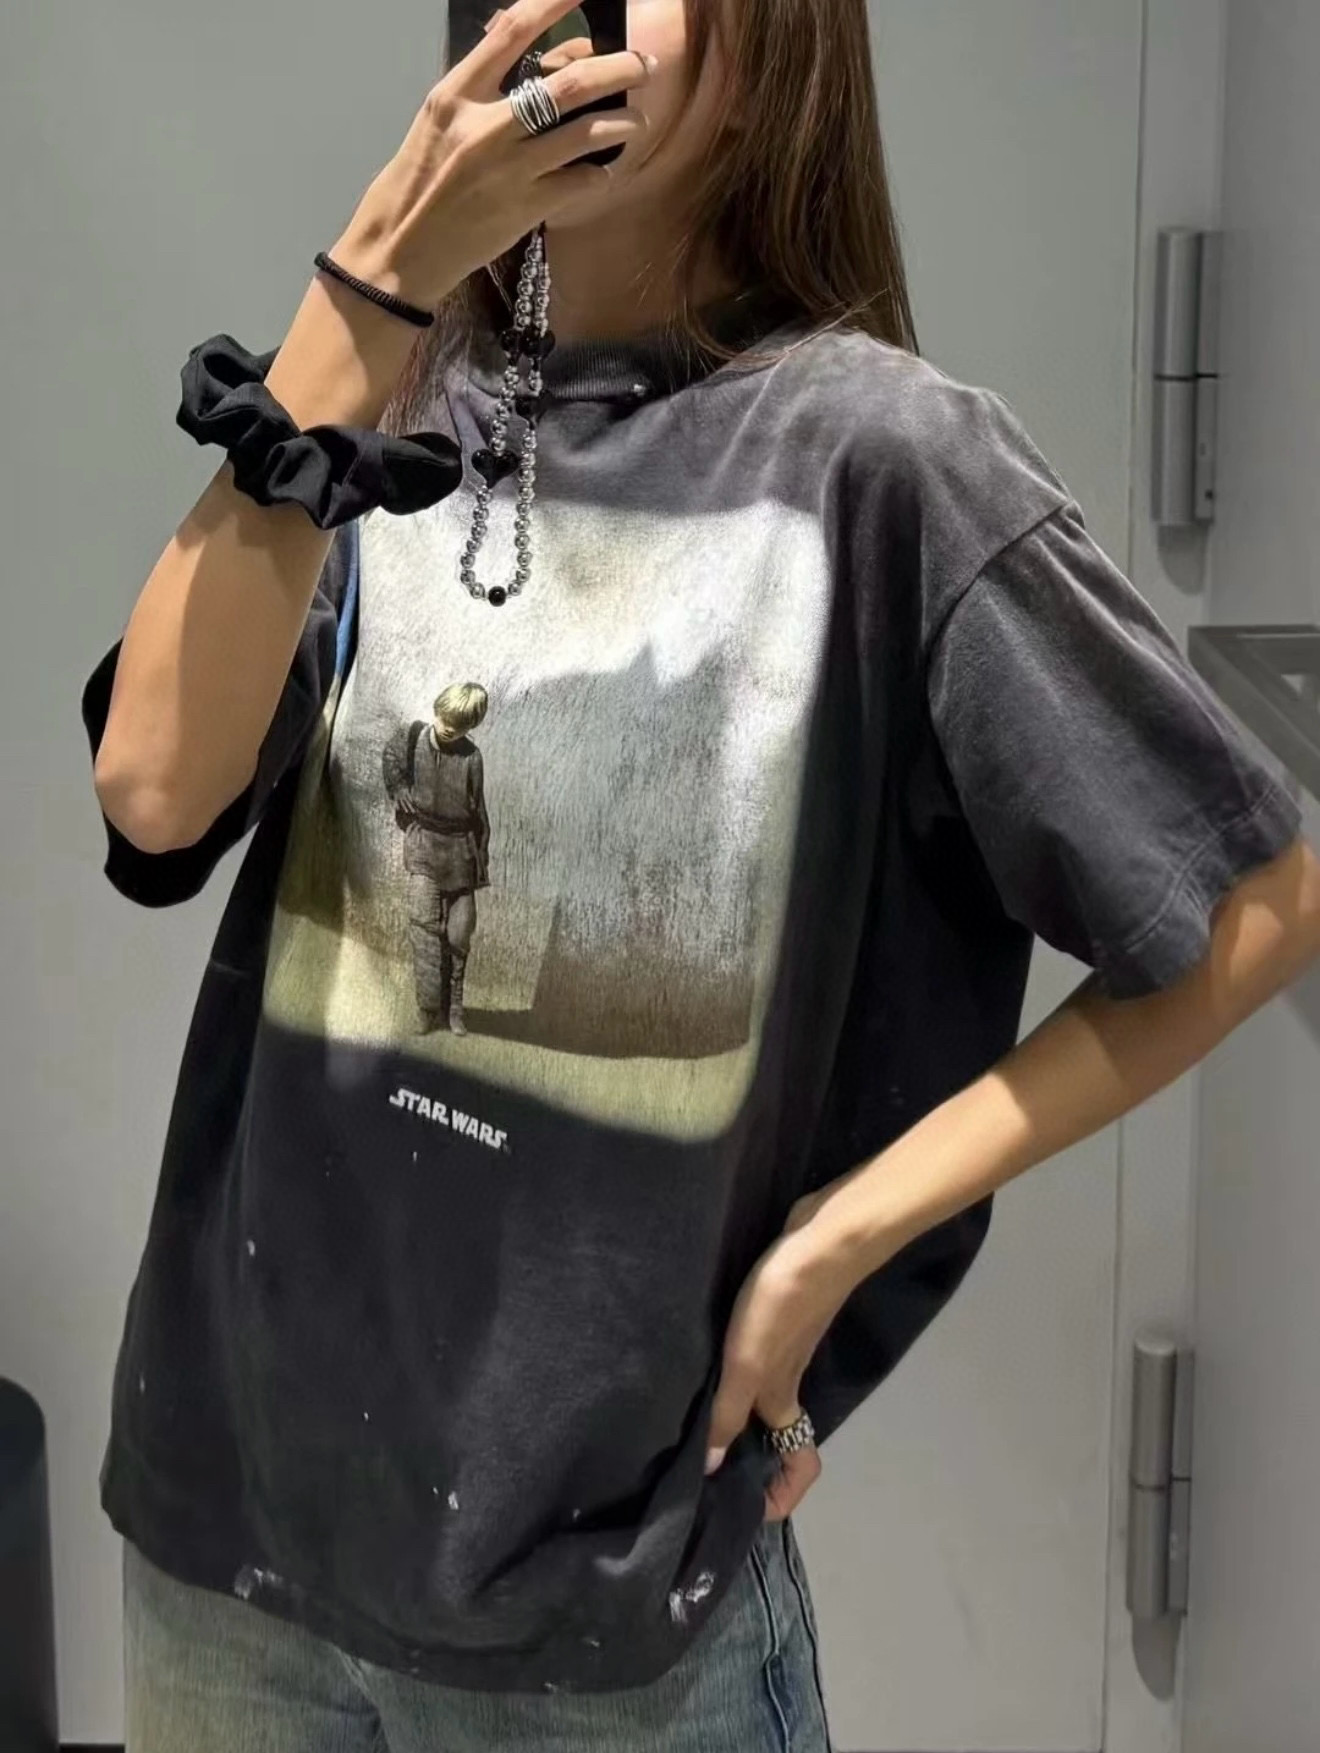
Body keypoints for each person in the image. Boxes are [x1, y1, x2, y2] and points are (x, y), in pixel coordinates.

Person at [82, 0, 1320, 1748]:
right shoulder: (385, 406)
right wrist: (371, 286)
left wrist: (846, 1235)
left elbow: (1250, 901)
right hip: (227, 1536)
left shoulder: (884, 461)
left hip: (604, 1612)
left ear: (778, 47)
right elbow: (153, 792)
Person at [382, 683, 492, 1036]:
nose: (448, 728)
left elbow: (479, 812)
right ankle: (428, 1009)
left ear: (470, 726)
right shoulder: (412, 737)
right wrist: (399, 789)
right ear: (437, 710)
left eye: (459, 726)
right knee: (425, 930)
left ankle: (455, 1008)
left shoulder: (472, 758)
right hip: (424, 849)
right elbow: (390, 759)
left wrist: (479, 861)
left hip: (460, 852)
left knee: (459, 936)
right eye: (446, 719)